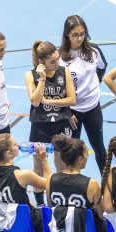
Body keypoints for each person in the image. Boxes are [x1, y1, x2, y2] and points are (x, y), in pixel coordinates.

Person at [24, 41, 76, 206]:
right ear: (41, 62)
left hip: (61, 125)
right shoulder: (30, 76)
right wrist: (42, 79)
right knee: (38, 168)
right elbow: (36, 101)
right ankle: (40, 203)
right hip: (40, 126)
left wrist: (50, 101)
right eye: (52, 61)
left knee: (61, 167)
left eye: (57, 59)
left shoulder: (64, 72)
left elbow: (72, 99)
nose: (57, 63)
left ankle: (61, 202)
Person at [47, 134, 107, 232]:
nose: (88, 156)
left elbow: (51, 208)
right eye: (86, 154)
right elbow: (102, 215)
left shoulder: (51, 179)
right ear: (80, 159)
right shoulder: (91, 183)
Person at [59, 15, 108, 172]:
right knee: (71, 150)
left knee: (99, 146)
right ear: (67, 35)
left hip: (92, 107)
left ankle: (107, 184)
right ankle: (73, 183)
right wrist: (66, 111)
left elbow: (102, 66)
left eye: (82, 34)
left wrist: (95, 84)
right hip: (72, 111)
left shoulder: (93, 51)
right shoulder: (60, 57)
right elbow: (56, 88)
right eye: (75, 35)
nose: (79, 38)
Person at [0, 134, 50, 232]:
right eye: (14, 143)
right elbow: (51, 185)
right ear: (9, 153)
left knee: (30, 202)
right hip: (27, 226)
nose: (18, 144)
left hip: (1, 226)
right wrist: (44, 160)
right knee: (46, 210)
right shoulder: (23, 175)